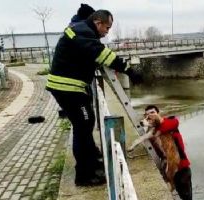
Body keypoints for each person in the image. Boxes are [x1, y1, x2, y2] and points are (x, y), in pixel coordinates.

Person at [46, 9, 142, 186]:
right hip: (68, 88)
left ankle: (92, 161)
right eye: (107, 27)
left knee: (86, 123)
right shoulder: (83, 33)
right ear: (98, 23)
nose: (107, 32)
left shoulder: (82, 30)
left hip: (70, 87)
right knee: (83, 126)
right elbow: (103, 55)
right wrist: (129, 70)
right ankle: (84, 176)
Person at [144, 105, 192, 200]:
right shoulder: (151, 131)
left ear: (158, 113)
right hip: (167, 169)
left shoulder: (170, 122)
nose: (151, 115)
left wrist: (154, 130)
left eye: (152, 112)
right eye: (147, 114)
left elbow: (174, 122)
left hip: (181, 169)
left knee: (186, 197)